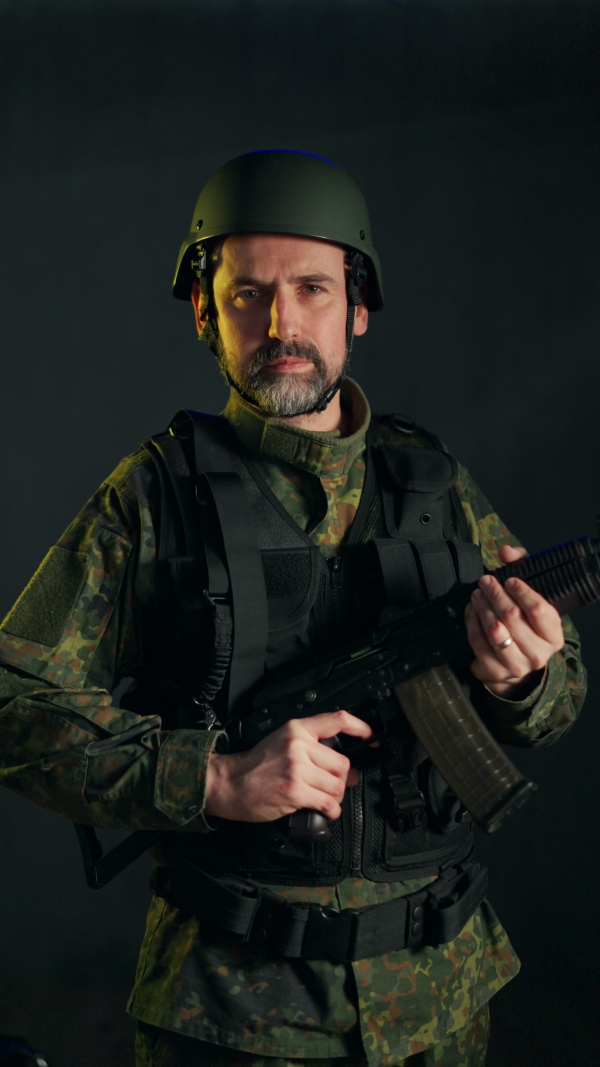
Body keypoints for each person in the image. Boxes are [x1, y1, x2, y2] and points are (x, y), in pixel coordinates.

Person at [0, 151, 585, 1067]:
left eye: (312, 288)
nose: (282, 324)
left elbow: (560, 698)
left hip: (440, 1000)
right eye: (247, 294)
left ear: (357, 307)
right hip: (230, 1010)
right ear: (204, 311)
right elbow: (13, 705)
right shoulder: (154, 498)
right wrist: (211, 780)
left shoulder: (431, 481)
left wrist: (529, 677)